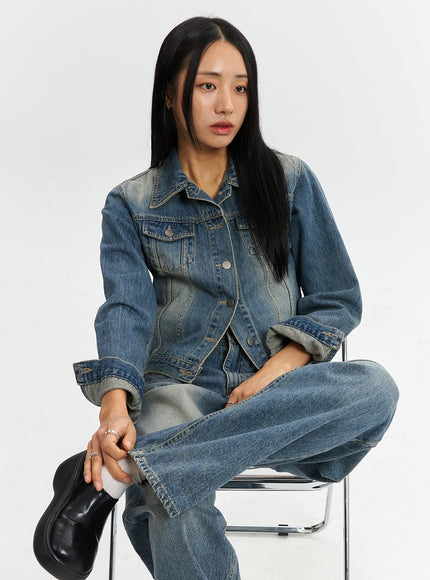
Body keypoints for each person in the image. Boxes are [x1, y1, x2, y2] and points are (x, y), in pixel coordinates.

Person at [34, 16, 399, 580]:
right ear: (169, 96)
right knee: (174, 501)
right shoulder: (131, 203)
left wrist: (276, 372)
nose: (227, 104)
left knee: (375, 388)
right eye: (207, 85)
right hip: (181, 390)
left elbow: (337, 298)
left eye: (240, 87)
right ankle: (157, 466)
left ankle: (126, 472)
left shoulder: (289, 180)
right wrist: (114, 406)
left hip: (284, 403)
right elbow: (127, 309)